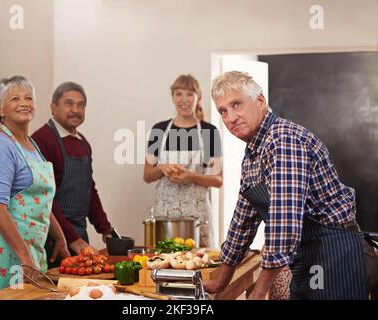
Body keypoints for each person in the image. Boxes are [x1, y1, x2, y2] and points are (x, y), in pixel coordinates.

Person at [204, 71, 378, 300]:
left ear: (260, 101)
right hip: (307, 255)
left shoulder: (283, 140)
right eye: (223, 111)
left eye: (237, 104)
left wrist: (259, 293)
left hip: (334, 253)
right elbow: (243, 221)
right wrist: (220, 281)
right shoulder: (253, 154)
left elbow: (283, 223)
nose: (230, 117)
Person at [0, 76, 70, 299]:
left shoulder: (30, 145)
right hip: (9, 249)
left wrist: (60, 237)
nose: (24, 102)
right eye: (15, 98)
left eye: (29, 97)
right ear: (0, 108)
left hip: (33, 247)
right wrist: (25, 258)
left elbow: (42, 199)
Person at [32, 82, 112, 265]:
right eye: (69, 103)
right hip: (53, 238)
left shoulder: (83, 143)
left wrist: (106, 230)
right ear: (53, 107)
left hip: (79, 235)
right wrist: (70, 238)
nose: (76, 109)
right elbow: (44, 198)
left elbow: (88, 189)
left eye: (81, 105)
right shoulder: (42, 140)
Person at [144, 74, 223, 248]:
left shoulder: (209, 132)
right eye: (179, 94)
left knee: (200, 266)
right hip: (165, 215)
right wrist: (161, 168)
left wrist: (191, 176)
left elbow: (218, 180)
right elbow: (147, 175)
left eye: (189, 94)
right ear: (173, 97)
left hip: (198, 216)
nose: (184, 99)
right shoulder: (159, 130)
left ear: (199, 98)